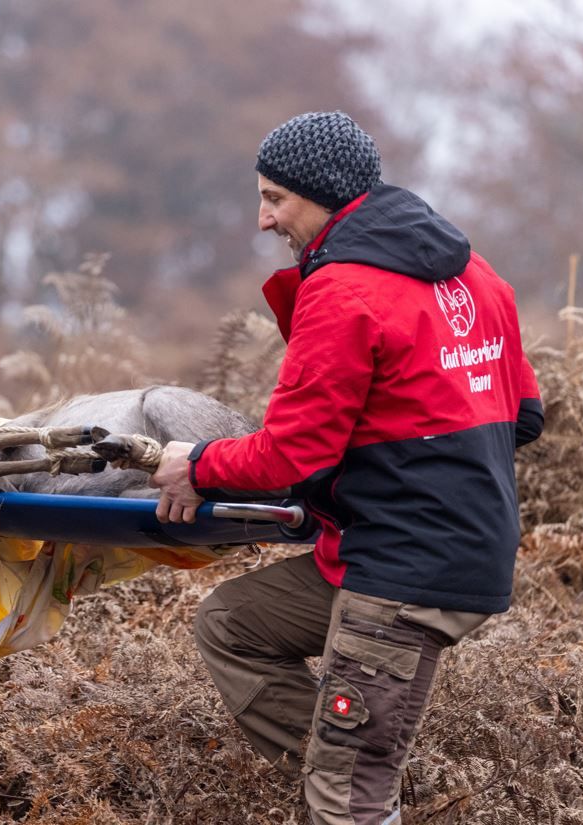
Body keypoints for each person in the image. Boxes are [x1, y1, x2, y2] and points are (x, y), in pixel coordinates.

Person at [150, 111, 544, 824]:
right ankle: (353, 764)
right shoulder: (474, 275)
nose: (263, 218)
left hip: (404, 568)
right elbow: (525, 415)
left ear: (325, 193)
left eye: (275, 199)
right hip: (434, 548)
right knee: (232, 624)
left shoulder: (344, 289)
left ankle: (354, 779)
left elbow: (289, 452)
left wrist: (197, 465)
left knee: (346, 792)